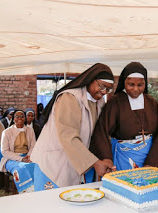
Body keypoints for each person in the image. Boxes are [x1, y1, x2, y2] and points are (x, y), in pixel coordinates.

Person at [30, 63, 115, 191]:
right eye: (102, 86)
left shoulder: (99, 102)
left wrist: (105, 158)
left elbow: (98, 133)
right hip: (53, 162)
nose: (104, 92)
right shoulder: (69, 98)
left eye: (108, 89)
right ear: (91, 80)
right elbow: (68, 136)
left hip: (73, 161)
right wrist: (95, 163)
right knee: (48, 205)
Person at [90, 62, 158, 171]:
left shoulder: (152, 103)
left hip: (149, 156)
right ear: (124, 82)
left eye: (140, 85)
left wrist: (153, 161)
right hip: (123, 156)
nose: (135, 89)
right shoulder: (115, 103)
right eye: (131, 84)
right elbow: (101, 132)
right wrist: (106, 158)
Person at [0, 110, 36, 193]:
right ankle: (27, 190)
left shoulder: (30, 130)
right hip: (11, 159)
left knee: (37, 165)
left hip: (27, 156)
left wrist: (28, 156)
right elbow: (4, 151)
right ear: (13, 119)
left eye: (22, 116)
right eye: (17, 116)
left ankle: (38, 188)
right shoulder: (7, 132)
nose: (20, 118)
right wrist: (21, 159)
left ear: (25, 118)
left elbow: (33, 145)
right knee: (22, 167)